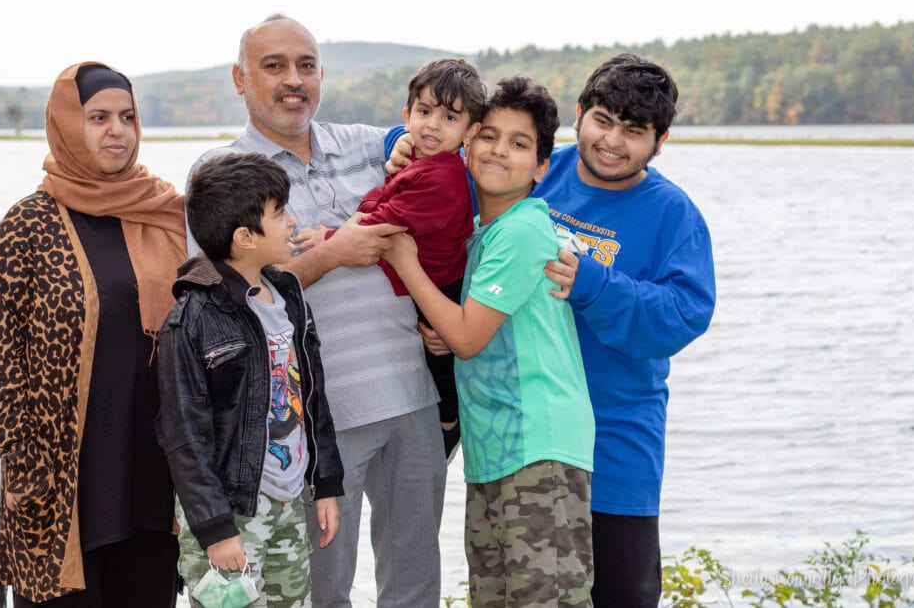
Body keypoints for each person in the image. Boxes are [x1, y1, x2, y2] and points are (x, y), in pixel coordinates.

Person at [389, 54, 717, 607]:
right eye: (603, 121)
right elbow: (453, 159)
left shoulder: (671, 213)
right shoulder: (533, 169)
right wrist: (396, 143)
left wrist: (595, 282)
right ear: (580, 115)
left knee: (618, 595)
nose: (612, 141)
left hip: (614, 442)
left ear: (659, 142)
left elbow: (684, 315)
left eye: (634, 132)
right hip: (511, 433)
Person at [186, 13, 448, 608]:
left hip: (412, 395)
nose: (292, 80)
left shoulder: (367, 143)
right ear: (240, 77)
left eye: (305, 65)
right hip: (318, 419)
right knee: (325, 590)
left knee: (416, 585)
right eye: (273, 66)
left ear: (322, 74)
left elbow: (447, 143)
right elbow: (221, 298)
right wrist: (331, 255)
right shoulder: (222, 177)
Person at [0, 62, 187, 606]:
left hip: (155, 478)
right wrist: (21, 464)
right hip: (58, 480)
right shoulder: (28, 226)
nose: (117, 131)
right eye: (98, 117)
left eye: (128, 117)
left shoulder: (166, 214)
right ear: (68, 123)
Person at [383, 75, 596, 608]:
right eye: (489, 135)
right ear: (469, 140)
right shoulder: (485, 230)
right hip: (495, 452)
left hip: (538, 447)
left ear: (542, 167)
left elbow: (469, 338)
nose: (499, 150)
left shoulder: (523, 230)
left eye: (519, 144)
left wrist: (404, 261)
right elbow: (467, 332)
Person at [155, 152, 343, 606]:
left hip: (290, 501)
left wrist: (327, 484)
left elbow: (312, 397)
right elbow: (183, 435)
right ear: (244, 238)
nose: (292, 221)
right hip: (231, 514)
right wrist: (215, 529)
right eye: (279, 213)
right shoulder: (193, 319)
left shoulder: (288, 295)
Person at [297, 57, 485, 460]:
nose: (433, 125)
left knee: (438, 351)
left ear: (470, 132)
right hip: (427, 272)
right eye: (424, 112)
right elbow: (386, 195)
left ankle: (450, 421)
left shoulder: (444, 178)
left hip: (439, 281)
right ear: (407, 115)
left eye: (449, 117)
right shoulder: (421, 158)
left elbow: (386, 219)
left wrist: (329, 235)